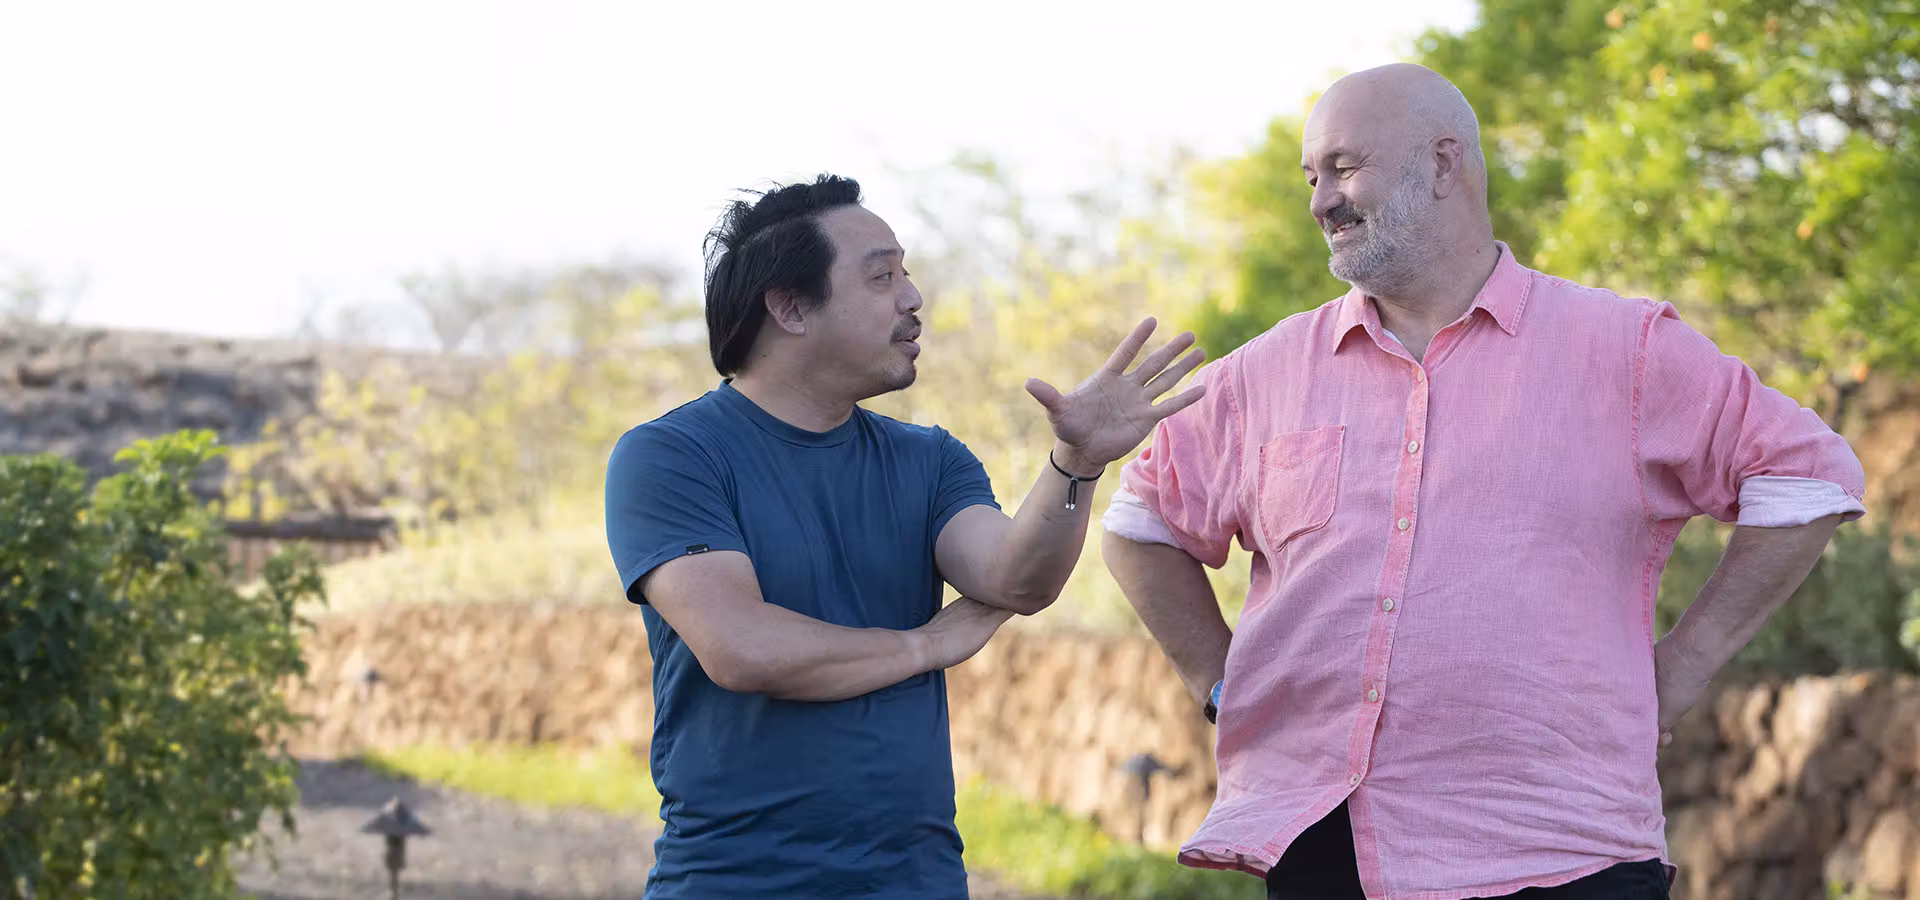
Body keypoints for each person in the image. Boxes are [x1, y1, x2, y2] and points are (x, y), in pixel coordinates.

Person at [1100, 63, 1867, 900]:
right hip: (1326, 846)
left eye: (1344, 167)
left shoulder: (1625, 349)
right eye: (1311, 176)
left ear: (1443, 164)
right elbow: (1142, 523)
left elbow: (1808, 475)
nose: (1321, 201)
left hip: (1565, 851)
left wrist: (1686, 665)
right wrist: (1220, 685)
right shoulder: (1264, 373)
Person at [603, 174, 1205, 899]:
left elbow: (1015, 580)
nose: (913, 298)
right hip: (734, 881)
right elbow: (743, 647)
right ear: (790, 308)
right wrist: (926, 645)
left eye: (905, 274)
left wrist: (1076, 462)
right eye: (881, 277)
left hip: (918, 879)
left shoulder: (930, 459)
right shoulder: (671, 456)